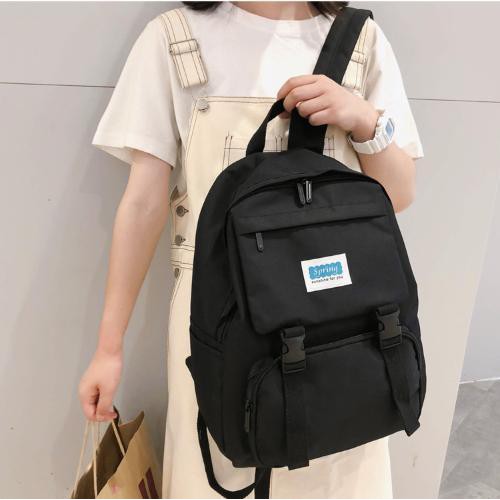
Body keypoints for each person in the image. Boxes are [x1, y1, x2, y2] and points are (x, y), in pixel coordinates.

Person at [79, 2, 424, 497]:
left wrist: (364, 120)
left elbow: (399, 194)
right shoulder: (174, 40)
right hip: (220, 314)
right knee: (220, 466)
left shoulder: (362, 42)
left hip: (341, 319)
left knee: (340, 463)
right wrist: (108, 348)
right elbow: (142, 204)